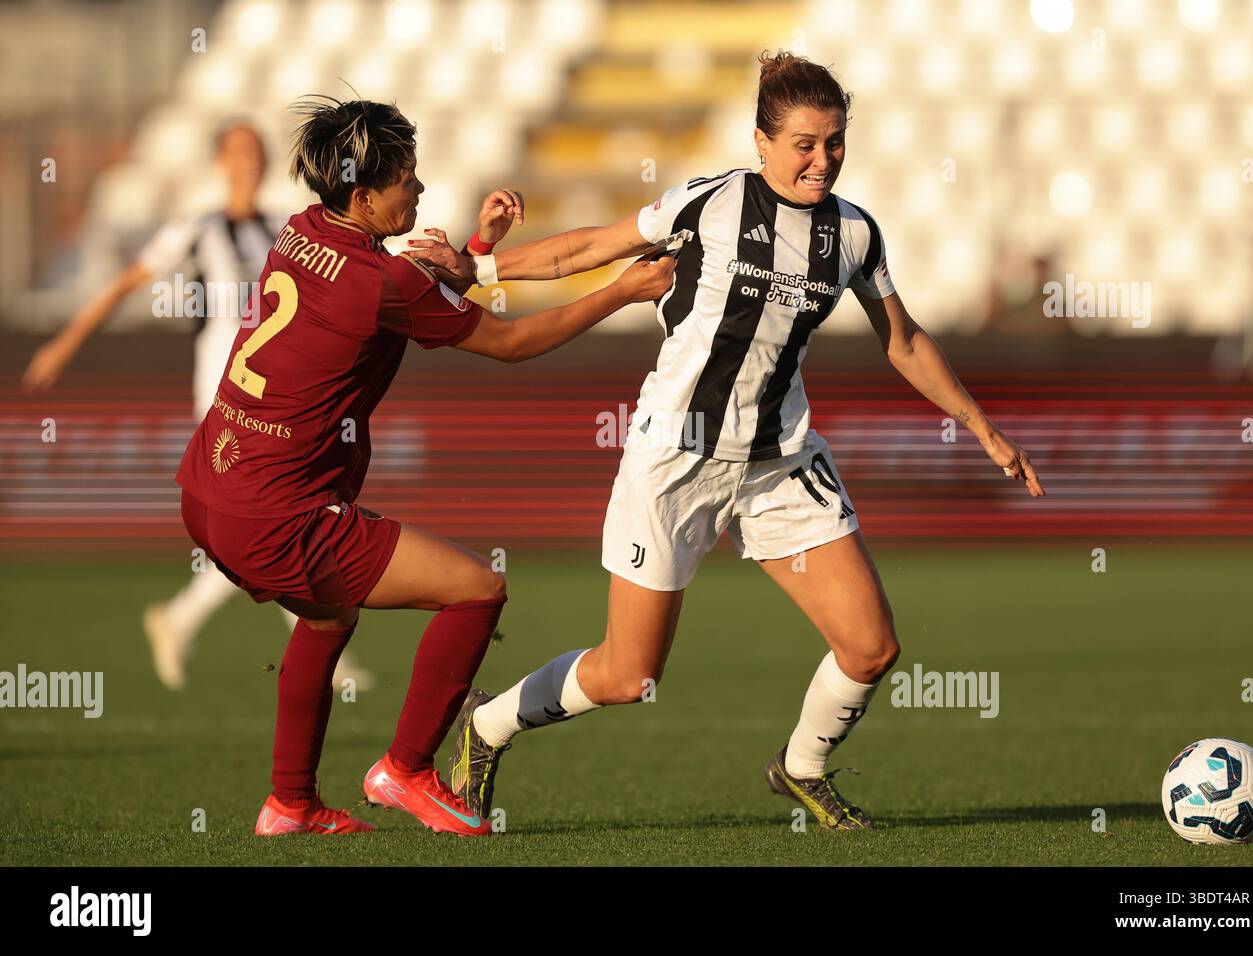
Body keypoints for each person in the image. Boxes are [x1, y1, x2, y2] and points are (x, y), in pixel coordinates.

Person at [409, 51, 1045, 831]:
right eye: (806, 143)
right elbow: (589, 250)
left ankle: (802, 768)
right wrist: (480, 272)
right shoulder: (709, 203)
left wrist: (983, 428)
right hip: (676, 458)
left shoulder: (852, 233)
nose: (823, 159)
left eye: (835, 142)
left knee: (871, 648)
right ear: (761, 141)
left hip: (780, 462)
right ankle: (489, 724)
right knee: (626, 674)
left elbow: (904, 340)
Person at [172, 96, 675, 836]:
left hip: (207, 490)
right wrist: (620, 291)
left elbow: (407, 295)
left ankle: (290, 805)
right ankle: (404, 770)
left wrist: (478, 249)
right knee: (477, 589)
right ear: (363, 194)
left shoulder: (302, 230)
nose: (420, 188)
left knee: (325, 618)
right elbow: (508, 344)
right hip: (276, 514)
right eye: (407, 178)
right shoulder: (382, 283)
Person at [21, 121, 373, 693]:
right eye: (237, 153)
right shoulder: (198, 227)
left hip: (278, 391)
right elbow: (126, 282)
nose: (248, 163)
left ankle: (199, 621)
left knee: (278, 516)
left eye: (256, 153)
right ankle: (318, 638)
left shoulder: (280, 230)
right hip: (222, 394)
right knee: (269, 517)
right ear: (219, 162)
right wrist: (66, 341)